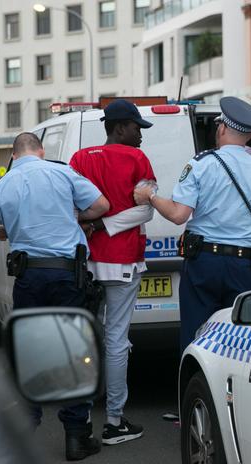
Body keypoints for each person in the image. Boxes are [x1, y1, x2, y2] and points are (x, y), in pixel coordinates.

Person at [0, 132, 110, 462]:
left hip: (29, 277)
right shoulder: (62, 172)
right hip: (66, 275)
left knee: (30, 347)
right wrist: (74, 217)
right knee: (73, 348)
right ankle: (76, 436)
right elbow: (101, 205)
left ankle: (26, 427)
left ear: (14, 156)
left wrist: (4, 231)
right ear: (41, 151)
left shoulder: (2, 186)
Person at [134, 96, 251, 352]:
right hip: (244, 266)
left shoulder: (201, 164)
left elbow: (178, 215)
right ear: (249, 136)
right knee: (240, 342)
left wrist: (149, 196)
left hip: (204, 264)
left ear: (221, 128)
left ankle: (196, 389)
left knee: (197, 339)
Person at [69, 99, 156, 446]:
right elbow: (145, 212)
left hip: (87, 261)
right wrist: (107, 223)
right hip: (122, 260)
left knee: (86, 339)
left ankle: (84, 417)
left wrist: (93, 224)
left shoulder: (78, 159)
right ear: (120, 127)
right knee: (117, 340)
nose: (140, 135)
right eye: (137, 127)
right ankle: (115, 421)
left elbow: (72, 207)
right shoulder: (137, 159)